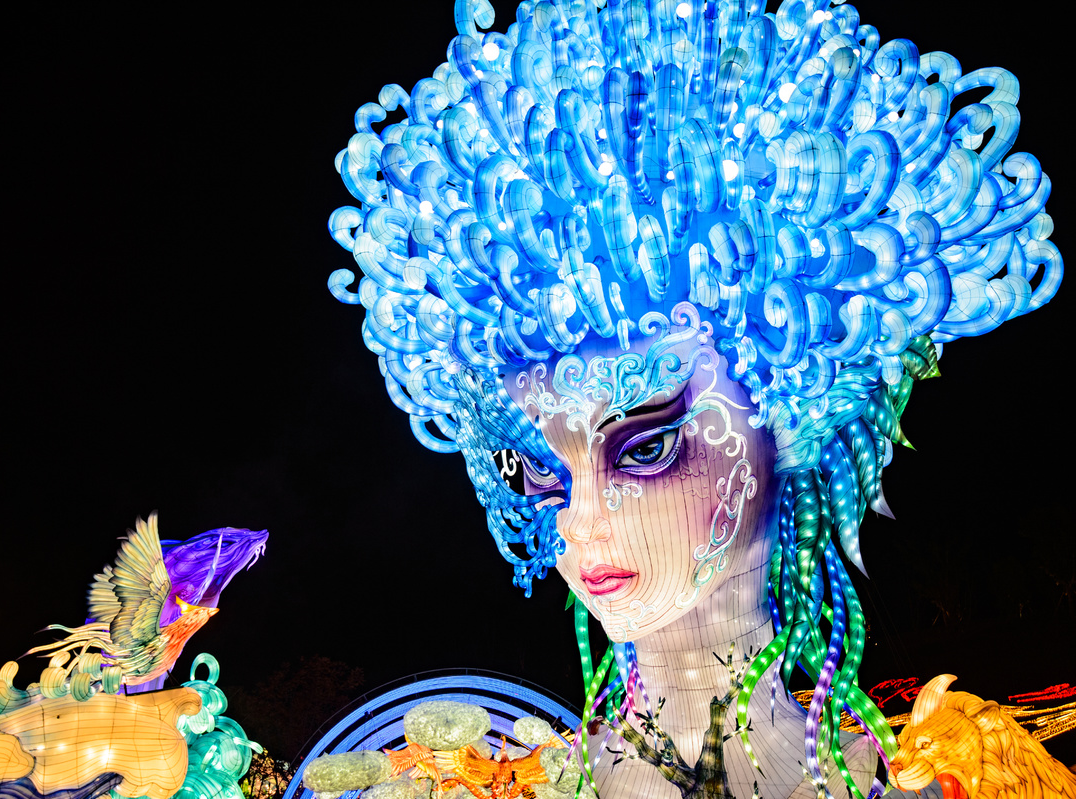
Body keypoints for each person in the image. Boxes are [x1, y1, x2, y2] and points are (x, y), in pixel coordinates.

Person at [326, 0, 1062, 796]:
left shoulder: (938, 777)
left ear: (796, 410)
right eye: (540, 471)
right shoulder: (531, 783)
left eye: (645, 446)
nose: (582, 521)